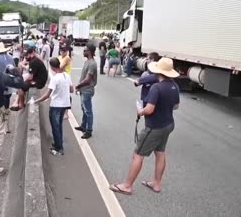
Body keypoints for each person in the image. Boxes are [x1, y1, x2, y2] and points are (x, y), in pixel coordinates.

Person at [109, 58, 180, 195]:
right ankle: (157, 183)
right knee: (160, 153)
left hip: (154, 126)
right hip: (168, 124)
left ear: (158, 71)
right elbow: (176, 106)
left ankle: (127, 185)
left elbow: (149, 110)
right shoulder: (174, 86)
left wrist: (140, 111)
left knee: (138, 154)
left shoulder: (156, 87)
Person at [34, 57, 74, 156]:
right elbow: (72, 90)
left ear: (51, 67)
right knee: (59, 125)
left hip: (56, 105)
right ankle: (58, 143)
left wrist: (36, 101)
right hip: (65, 105)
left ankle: (59, 149)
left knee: (55, 127)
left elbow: (47, 95)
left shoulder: (55, 79)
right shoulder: (66, 75)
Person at [0, 43, 16, 133]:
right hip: (8, 85)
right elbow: (14, 71)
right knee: (6, 105)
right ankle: (6, 126)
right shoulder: (10, 58)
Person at [74, 44, 97, 139]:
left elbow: (88, 79)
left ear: (90, 52)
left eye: (85, 50)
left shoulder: (92, 64)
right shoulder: (87, 61)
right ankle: (83, 126)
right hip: (83, 89)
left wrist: (78, 85)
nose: (83, 51)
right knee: (84, 109)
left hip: (87, 90)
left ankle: (89, 130)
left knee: (88, 111)